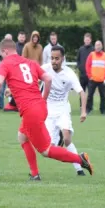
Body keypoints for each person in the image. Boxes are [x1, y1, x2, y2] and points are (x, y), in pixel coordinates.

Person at [0, 39, 93, 180]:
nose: (1, 57)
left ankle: (80, 159)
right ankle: (34, 174)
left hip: (31, 111)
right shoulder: (29, 62)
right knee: (22, 137)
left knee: (46, 150)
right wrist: (43, 100)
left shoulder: (5, 63)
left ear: (5, 51)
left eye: (1, 54)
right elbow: (48, 79)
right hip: (40, 107)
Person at [41, 45, 88, 175]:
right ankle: (59, 138)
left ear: (62, 59)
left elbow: (82, 93)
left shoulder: (69, 74)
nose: (54, 61)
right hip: (48, 110)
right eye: (52, 58)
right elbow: (30, 78)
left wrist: (83, 111)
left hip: (62, 109)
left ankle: (79, 169)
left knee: (67, 138)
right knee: (48, 150)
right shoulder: (45, 69)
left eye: (57, 58)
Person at [85, 40, 105, 115]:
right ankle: (88, 109)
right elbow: (87, 66)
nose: (98, 46)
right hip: (93, 79)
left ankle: (103, 110)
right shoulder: (91, 55)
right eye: (96, 45)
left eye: (99, 45)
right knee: (90, 95)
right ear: (95, 46)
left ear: (101, 46)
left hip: (102, 80)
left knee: (103, 96)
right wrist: (90, 76)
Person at [76, 33, 94, 101]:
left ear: (90, 40)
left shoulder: (93, 50)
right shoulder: (81, 49)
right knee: (82, 91)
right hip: (82, 75)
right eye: (86, 40)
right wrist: (79, 67)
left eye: (88, 40)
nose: (87, 41)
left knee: (90, 92)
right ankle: (81, 105)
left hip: (90, 75)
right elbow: (78, 60)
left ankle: (89, 107)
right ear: (84, 40)